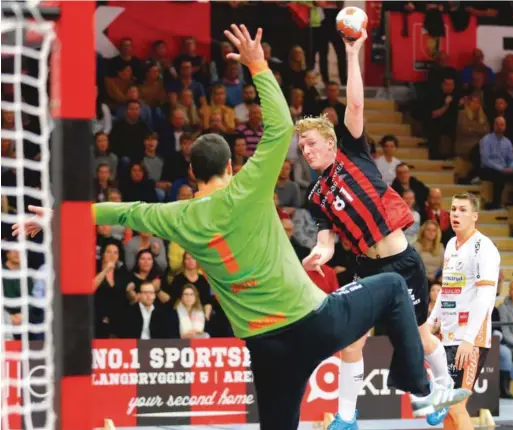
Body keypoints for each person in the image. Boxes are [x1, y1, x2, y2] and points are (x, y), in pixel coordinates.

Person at [12, 25, 471, 430]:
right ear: (231, 165)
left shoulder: (177, 216)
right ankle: (415, 385)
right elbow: (278, 128)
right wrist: (256, 63)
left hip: (266, 349)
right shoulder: (248, 187)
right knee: (392, 286)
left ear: (192, 176)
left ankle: (403, 392)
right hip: (315, 323)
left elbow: (125, 210)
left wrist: (58, 215)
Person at [296, 29, 453, 428]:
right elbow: (327, 239)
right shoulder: (315, 195)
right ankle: (347, 417)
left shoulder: (353, 151)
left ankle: (444, 390)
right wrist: (320, 254)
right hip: (367, 270)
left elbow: (355, 101)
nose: (307, 151)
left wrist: (353, 52)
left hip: (402, 263)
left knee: (419, 337)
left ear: (331, 142)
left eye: (312, 143)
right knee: (352, 340)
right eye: (302, 149)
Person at [427, 193, 501, 430]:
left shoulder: (483, 247)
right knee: (448, 412)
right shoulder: (450, 245)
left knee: (457, 407)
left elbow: (486, 296)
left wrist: (468, 339)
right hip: (447, 336)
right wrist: (431, 322)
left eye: (462, 210)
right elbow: (446, 291)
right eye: (453, 209)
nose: (455, 214)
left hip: (471, 340)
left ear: (475, 216)